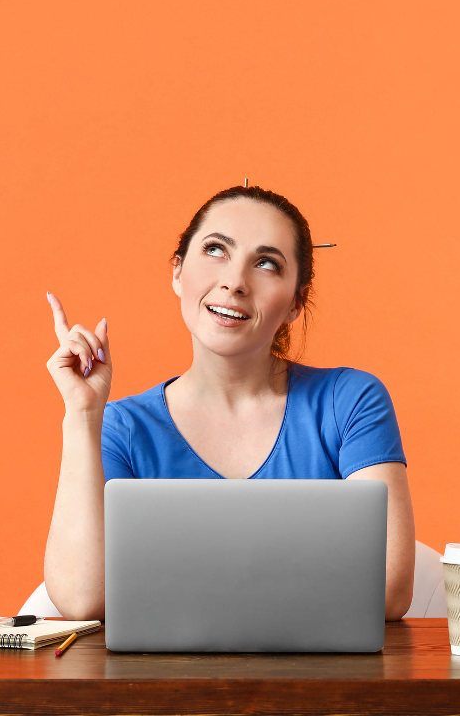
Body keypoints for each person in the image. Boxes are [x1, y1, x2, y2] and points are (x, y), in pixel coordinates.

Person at [43, 184, 415, 622]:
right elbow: (85, 598)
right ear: (178, 272)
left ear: (296, 301)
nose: (235, 282)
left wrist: (169, 587)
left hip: (322, 684)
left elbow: (388, 586)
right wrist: (83, 415)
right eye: (216, 250)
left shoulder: (350, 402)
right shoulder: (122, 426)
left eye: (265, 263)